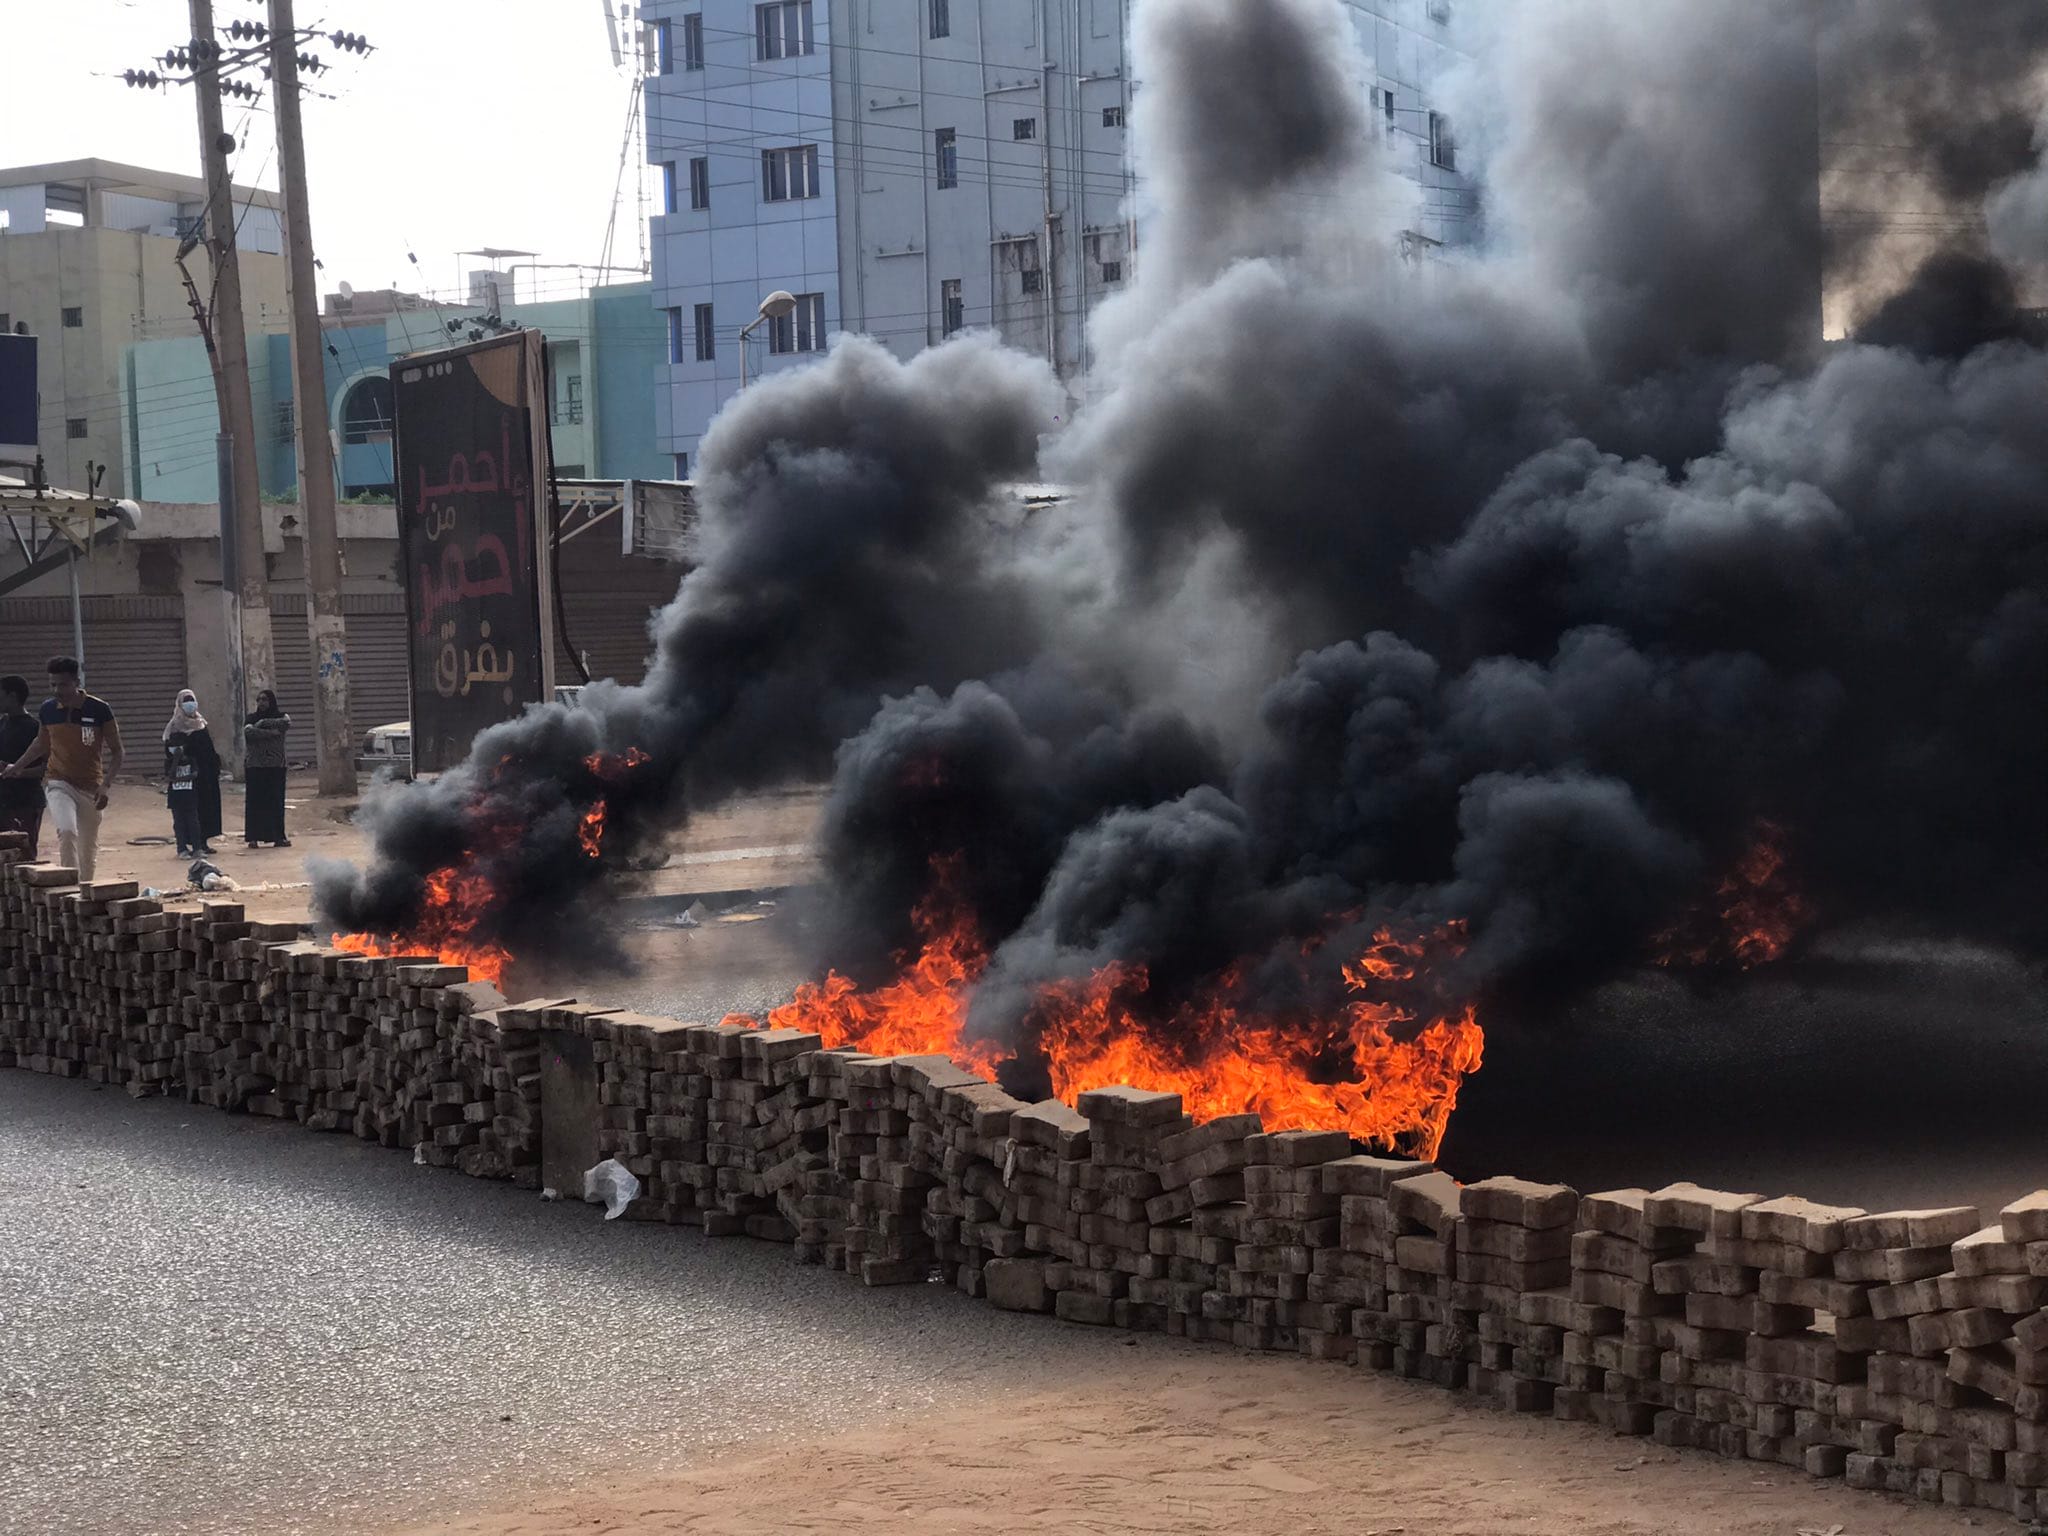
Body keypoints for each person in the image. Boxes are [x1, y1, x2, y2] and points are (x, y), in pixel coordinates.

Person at [0, 656, 123, 879]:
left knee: (88, 850)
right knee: (66, 831)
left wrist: (105, 786)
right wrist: (16, 767)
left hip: (91, 787)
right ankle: (69, 890)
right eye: (52, 684)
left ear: (76, 682)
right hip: (58, 782)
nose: (57, 690)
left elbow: (118, 752)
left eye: (63, 684)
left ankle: (84, 893)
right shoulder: (48, 710)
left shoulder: (99, 710)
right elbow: (40, 744)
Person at [162, 688, 219, 856]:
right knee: (186, 812)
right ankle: (185, 845)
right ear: (180, 703)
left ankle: (202, 842)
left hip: (206, 773)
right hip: (187, 775)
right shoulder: (175, 725)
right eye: (186, 701)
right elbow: (170, 750)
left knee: (206, 807)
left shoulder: (201, 722)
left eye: (191, 700)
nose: (189, 704)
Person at [0, 675, 45, 856]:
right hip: (3, 801)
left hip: (25, 802)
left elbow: (47, 768)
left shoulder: (35, 729)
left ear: (12, 696)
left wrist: (18, 771)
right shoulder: (1, 725)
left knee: (23, 856)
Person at [243, 689, 292, 848]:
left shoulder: (281, 716)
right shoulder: (251, 718)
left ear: (271, 701)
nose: (261, 703)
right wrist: (271, 732)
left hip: (276, 766)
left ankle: (278, 837)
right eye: (258, 700)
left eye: (264, 699)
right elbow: (249, 732)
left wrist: (262, 724)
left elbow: (285, 723)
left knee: (276, 803)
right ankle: (253, 838)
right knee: (255, 803)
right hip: (255, 766)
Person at [165, 733, 203, 859]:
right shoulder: (168, 762)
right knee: (179, 823)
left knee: (194, 822)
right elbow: (170, 776)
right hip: (176, 797)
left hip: (190, 795)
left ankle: (197, 848)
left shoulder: (191, 760)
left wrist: (178, 778)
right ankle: (181, 848)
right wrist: (176, 759)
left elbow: (194, 774)